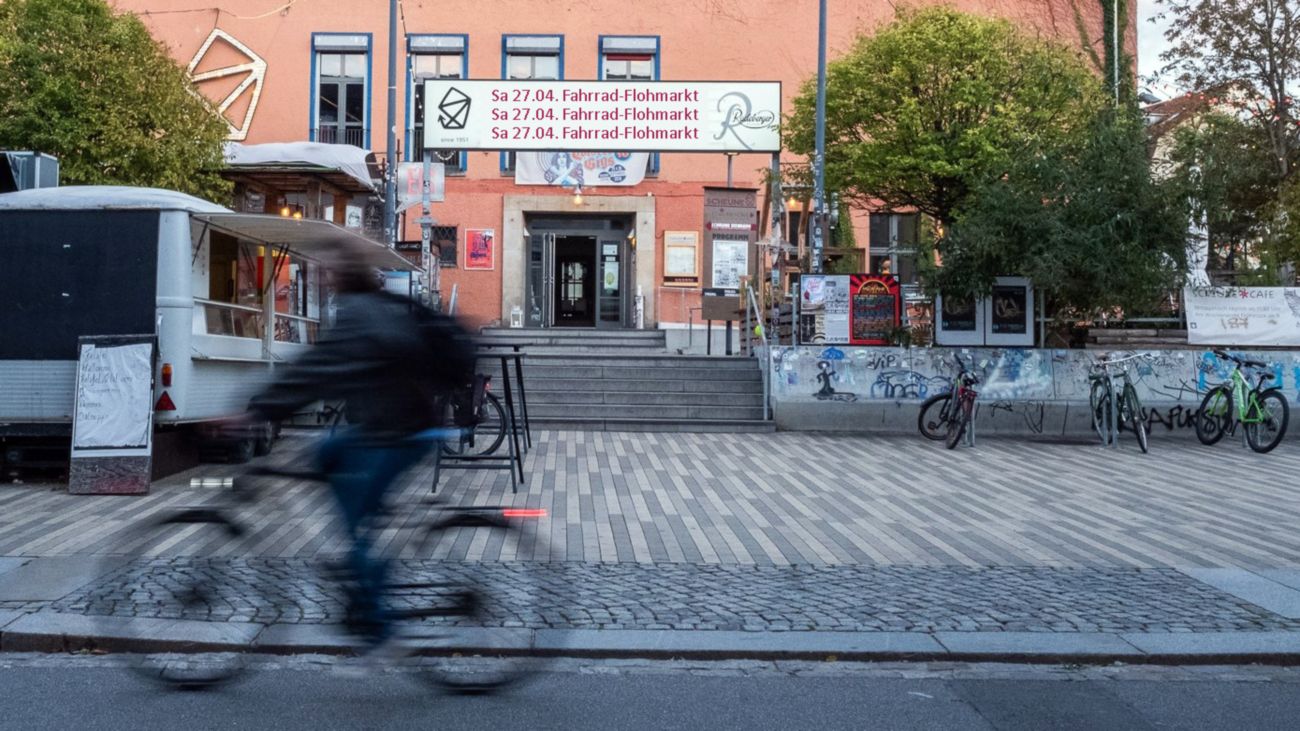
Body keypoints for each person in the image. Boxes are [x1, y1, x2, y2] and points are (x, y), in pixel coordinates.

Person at [241, 241, 473, 656]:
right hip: (389, 425)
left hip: (395, 433)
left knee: (357, 534)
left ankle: (378, 626)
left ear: (343, 276)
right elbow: (325, 369)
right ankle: (362, 561)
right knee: (326, 452)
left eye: (330, 272)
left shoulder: (360, 315)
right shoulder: (377, 306)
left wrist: (258, 409)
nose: (326, 279)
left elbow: (316, 370)